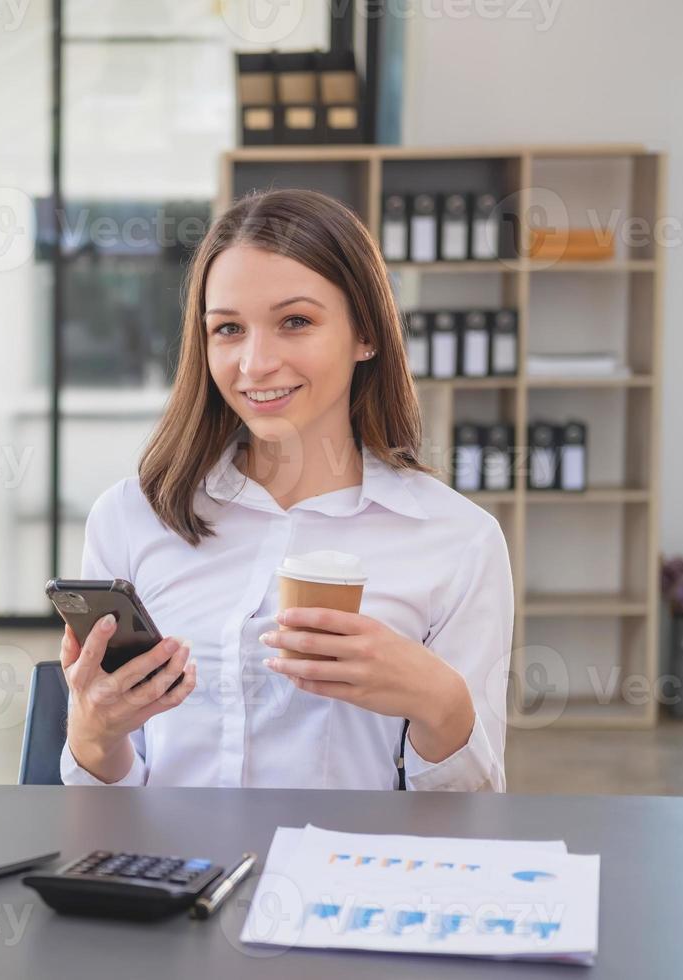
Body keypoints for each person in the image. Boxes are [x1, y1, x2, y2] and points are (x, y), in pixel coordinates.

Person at [58, 189, 513, 791]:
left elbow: (471, 811)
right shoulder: (132, 516)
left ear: (366, 334)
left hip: (349, 878)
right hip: (172, 874)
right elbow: (102, 797)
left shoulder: (458, 540)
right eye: (228, 329)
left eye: (295, 321)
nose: (255, 363)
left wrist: (439, 701)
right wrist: (94, 733)